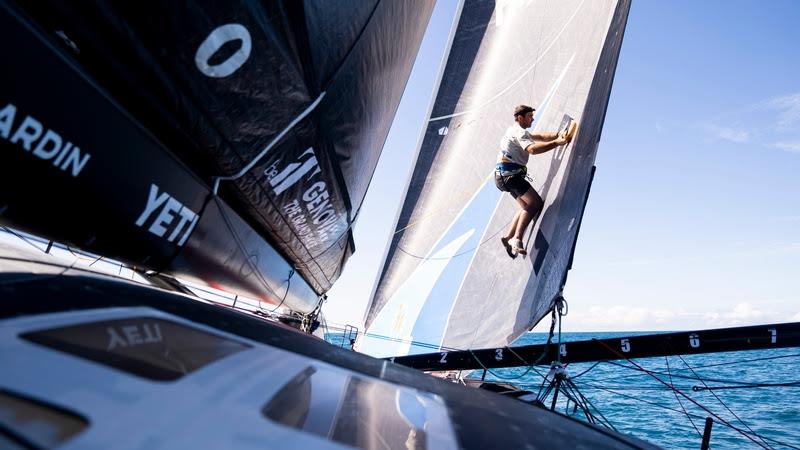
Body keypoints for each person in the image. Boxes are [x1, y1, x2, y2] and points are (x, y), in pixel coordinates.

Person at [495, 104, 571, 257]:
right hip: (510, 176)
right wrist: (557, 143)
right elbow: (532, 149)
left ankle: (508, 237)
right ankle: (517, 239)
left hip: (501, 178)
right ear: (520, 117)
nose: (533, 118)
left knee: (525, 207)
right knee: (535, 203)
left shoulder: (514, 130)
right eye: (530, 116)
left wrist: (557, 134)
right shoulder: (519, 132)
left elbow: (540, 136)